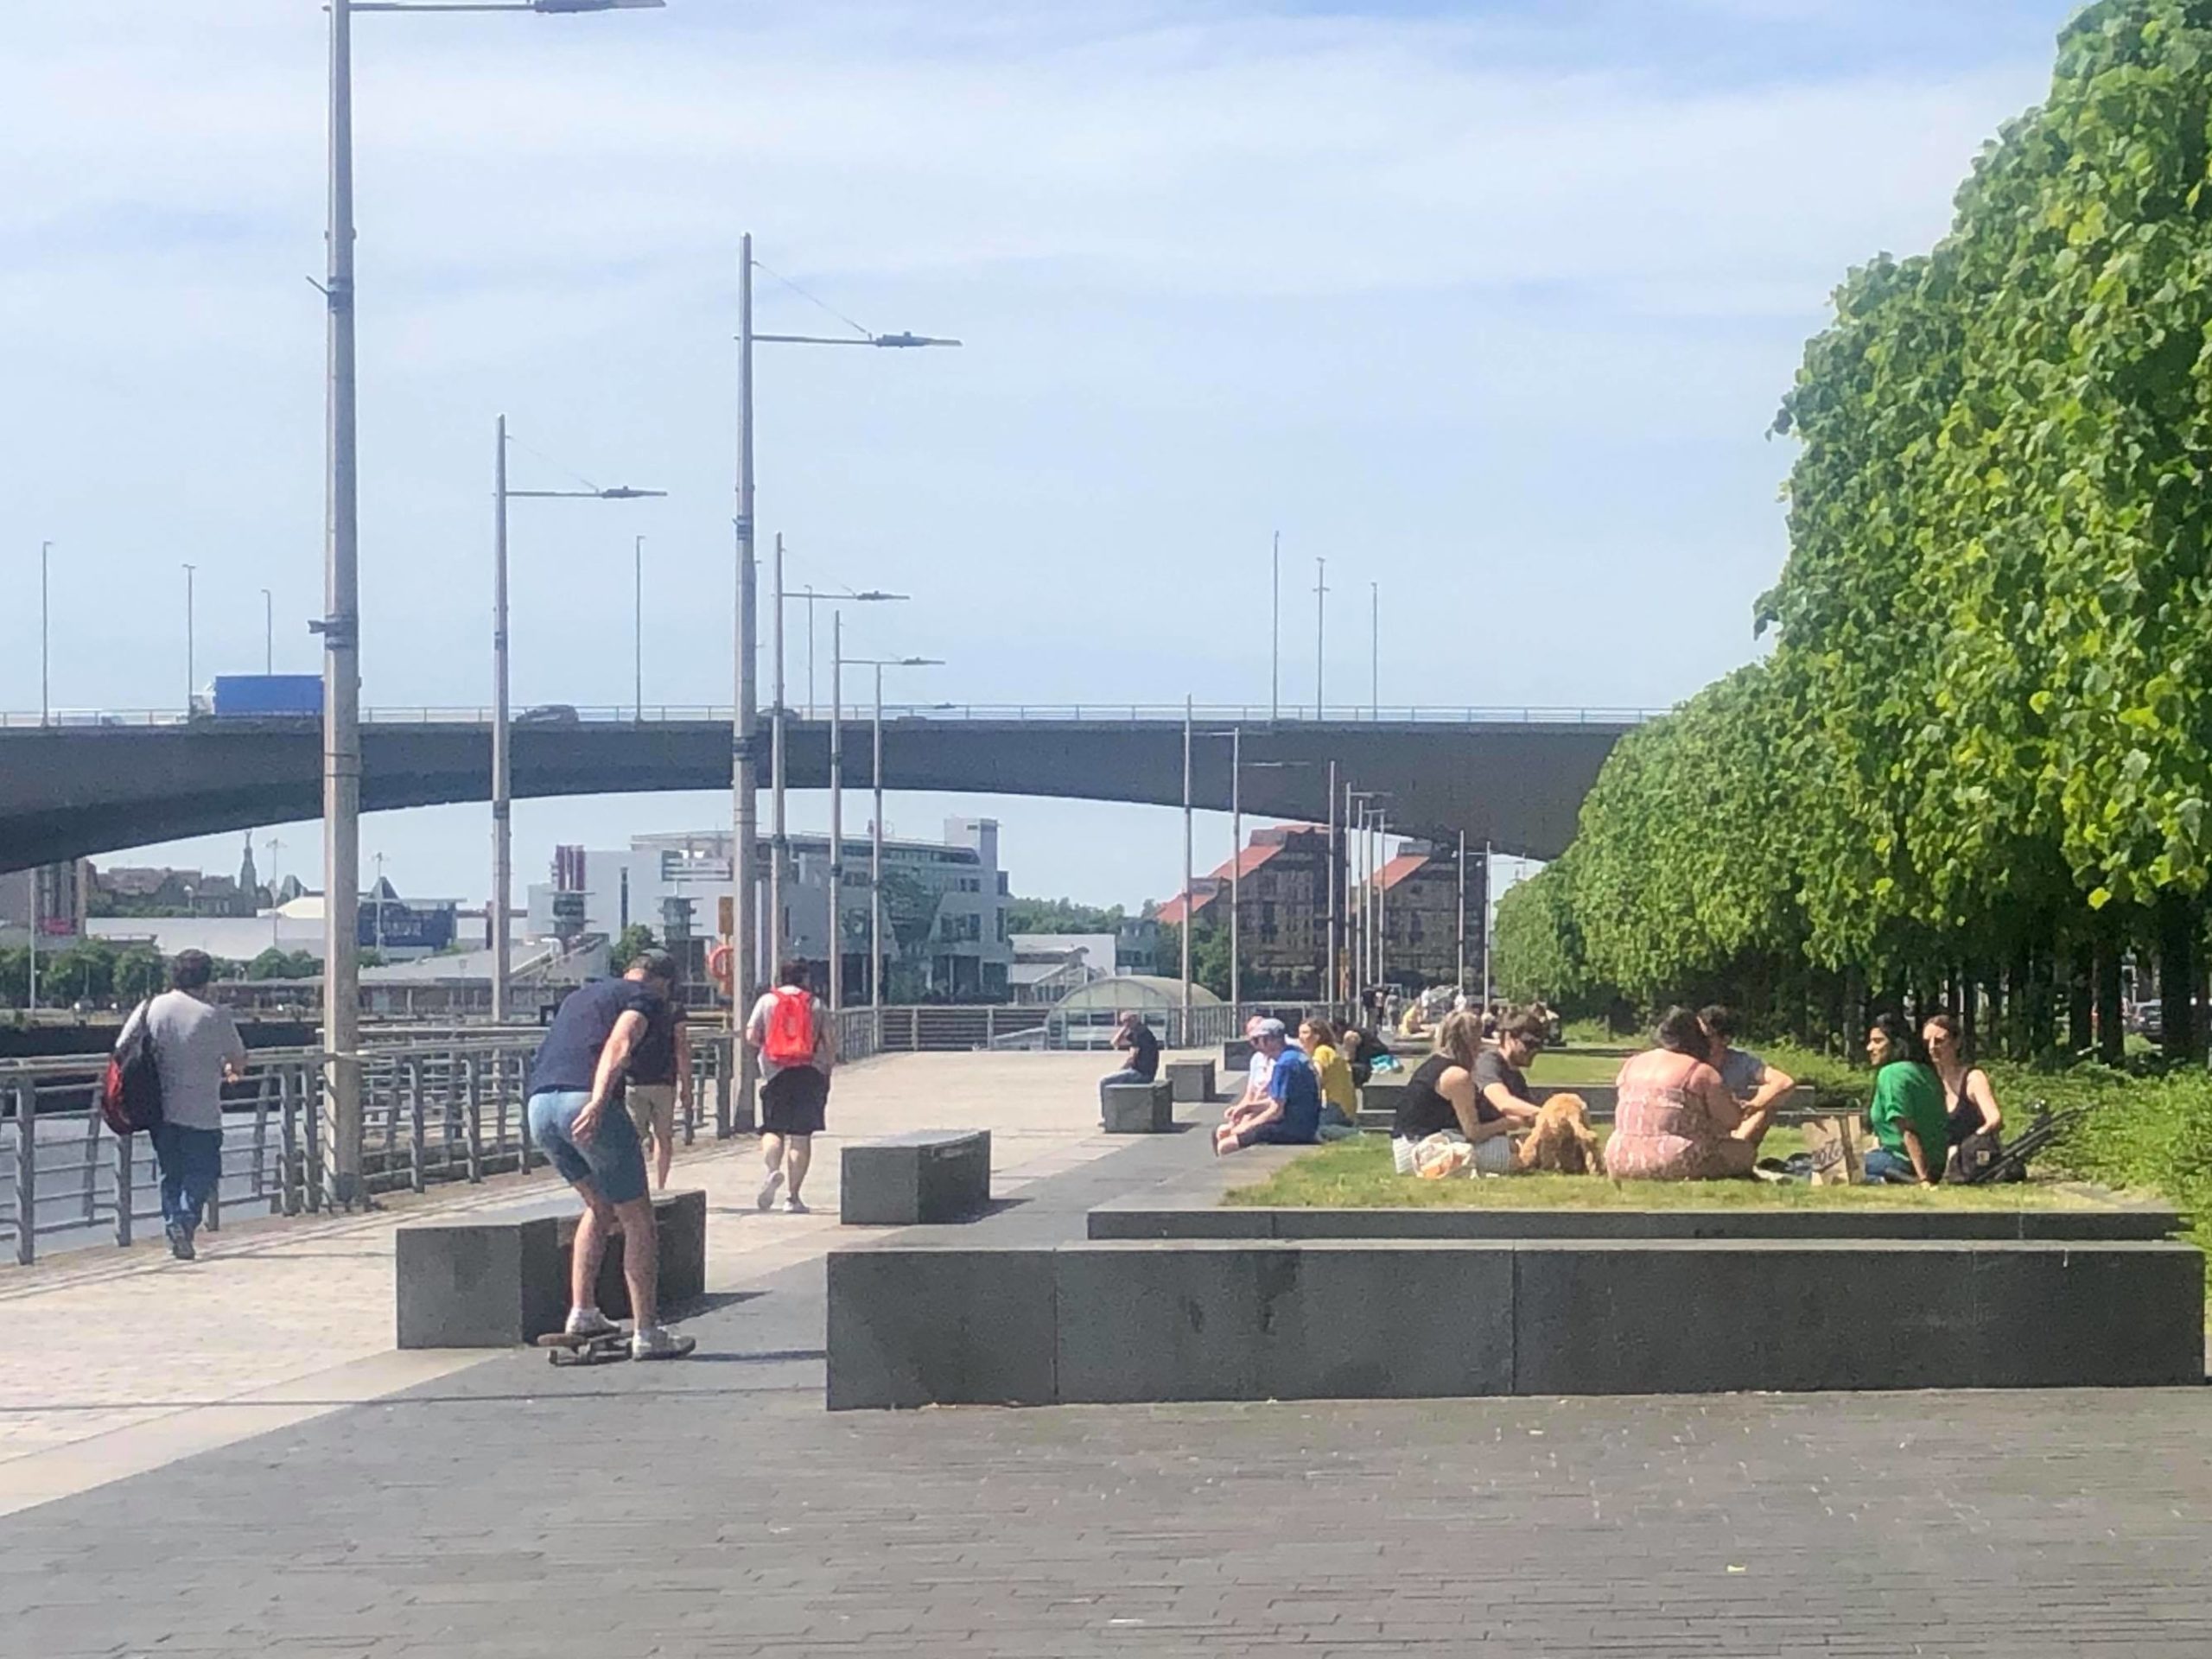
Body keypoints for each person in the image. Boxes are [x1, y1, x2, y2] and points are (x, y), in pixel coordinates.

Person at [525, 950, 690, 1358]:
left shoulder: (581, 996)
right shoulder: (647, 997)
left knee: (599, 1205)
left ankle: (582, 1312)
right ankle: (648, 1333)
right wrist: (600, 1101)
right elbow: (621, 1041)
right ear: (663, 983)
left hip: (539, 1106)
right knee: (639, 1219)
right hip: (583, 1100)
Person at [118, 950, 246, 1261]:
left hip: (159, 1107)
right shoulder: (214, 1015)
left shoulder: (150, 1007)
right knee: (205, 1172)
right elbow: (238, 1058)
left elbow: (122, 1047)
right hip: (202, 1108)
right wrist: (229, 1072)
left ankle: (174, 1223)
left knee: (170, 1172)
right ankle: (185, 1221)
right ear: (207, 978)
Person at [1606, 1007, 1769, 1181]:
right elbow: (1731, 1120)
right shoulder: (1700, 1072)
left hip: (1619, 1157)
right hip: (1672, 1160)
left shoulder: (1631, 1064)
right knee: (1744, 1151)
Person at [746, 958, 837, 1213]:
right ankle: (793, 1198)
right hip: (810, 1072)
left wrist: (771, 1046)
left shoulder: (767, 1001)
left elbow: (751, 1036)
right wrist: (828, 1070)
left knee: (773, 1130)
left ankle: (773, 1171)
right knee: (801, 1136)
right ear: (804, 978)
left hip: (775, 1073)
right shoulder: (816, 1004)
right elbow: (829, 1042)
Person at [1389, 1009, 1517, 1173]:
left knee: (1511, 1145)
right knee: (1515, 1160)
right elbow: (1474, 1133)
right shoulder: (1457, 1077)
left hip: (1411, 1143)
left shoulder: (1435, 1064)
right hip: (1422, 1150)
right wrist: (1510, 1122)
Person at [1864, 1010, 1948, 1185]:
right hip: (1938, 1163)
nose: (1869, 1048)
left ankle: (1886, 1180)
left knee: (1809, 1165)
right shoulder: (1926, 1071)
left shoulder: (1891, 1074)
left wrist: (1923, 1178)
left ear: (1896, 1044)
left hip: (1904, 1164)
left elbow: (1907, 1129)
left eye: (1878, 1041)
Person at [1698, 1004, 1797, 1148]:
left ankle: (1734, 1150)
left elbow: (1783, 1082)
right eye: (1696, 1035)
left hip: (1732, 1127)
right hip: (1699, 1127)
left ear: (1726, 1040)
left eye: (1705, 1036)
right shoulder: (1689, 1061)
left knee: (1767, 1103)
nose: (1698, 1041)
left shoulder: (1741, 1061)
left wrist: (1752, 1106)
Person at [1216, 1020, 1322, 1154]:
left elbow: (1276, 1111)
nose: (1254, 1046)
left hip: (1293, 1128)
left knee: (1226, 1145)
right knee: (1228, 1133)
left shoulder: (1284, 1065)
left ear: (1270, 1041)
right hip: (1307, 1123)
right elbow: (1281, 1100)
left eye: (1256, 1040)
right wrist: (1248, 1108)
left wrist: (1246, 1127)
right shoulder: (1297, 1055)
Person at [626, 978, 691, 1193]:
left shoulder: (631, 1007)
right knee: (663, 1137)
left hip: (634, 1079)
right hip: (664, 1080)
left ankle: (636, 1186)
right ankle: (660, 1185)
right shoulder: (674, 1009)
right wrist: (687, 1085)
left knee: (633, 1138)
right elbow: (681, 1047)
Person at [1923, 1013, 2003, 1178]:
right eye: (1927, 1042)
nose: (1932, 1047)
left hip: (1972, 1159)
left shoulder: (1973, 1078)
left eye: (1939, 1041)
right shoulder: (1928, 1081)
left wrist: (1973, 1142)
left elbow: (1994, 1119)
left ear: (1957, 1043)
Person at [1300, 1016, 1358, 1133]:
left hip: (1334, 1107)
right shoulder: (1331, 1051)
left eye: (1305, 1033)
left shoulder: (1321, 1052)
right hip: (1346, 1108)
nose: (1301, 1037)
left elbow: (1316, 1080)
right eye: (1299, 1033)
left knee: (1312, 1131)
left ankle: (1350, 1133)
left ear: (1317, 1036)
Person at [1099, 1011, 1161, 1113]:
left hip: (1142, 1074)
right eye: (1123, 1022)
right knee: (1116, 1078)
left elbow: (1131, 1059)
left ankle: (1106, 1114)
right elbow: (1115, 1043)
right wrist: (1124, 1029)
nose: (1125, 1024)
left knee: (1104, 1081)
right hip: (1145, 1072)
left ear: (1134, 1020)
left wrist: (1120, 1070)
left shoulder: (1140, 1034)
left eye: (1127, 1021)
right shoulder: (1140, 1031)